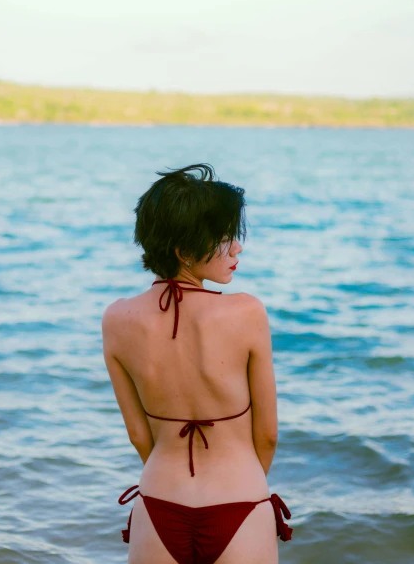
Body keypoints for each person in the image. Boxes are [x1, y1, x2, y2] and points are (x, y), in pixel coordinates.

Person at [102, 163, 293, 564]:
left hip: (158, 504)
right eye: (225, 237)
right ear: (184, 250)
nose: (237, 248)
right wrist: (240, 483)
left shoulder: (116, 319)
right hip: (238, 501)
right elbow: (269, 433)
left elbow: (139, 435)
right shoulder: (246, 312)